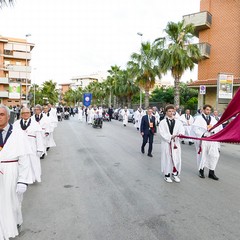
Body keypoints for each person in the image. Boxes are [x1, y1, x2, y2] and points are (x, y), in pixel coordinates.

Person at [0, 105, 32, 239]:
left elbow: (24, 158)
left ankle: (15, 223)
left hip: (12, 172)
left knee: (13, 202)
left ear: (8, 116)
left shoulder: (17, 133)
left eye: (1, 114)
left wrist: (23, 180)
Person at [191, 104, 222, 180]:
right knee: (203, 155)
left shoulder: (213, 119)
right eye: (207, 109)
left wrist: (213, 130)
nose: (208, 111)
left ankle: (211, 172)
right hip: (203, 139)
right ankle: (201, 171)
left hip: (212, 139)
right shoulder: (198, 119)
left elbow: (218, 128)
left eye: (209, 110)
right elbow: (195, 128)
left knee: (215, 155)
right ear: (203, 110)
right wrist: (203, 134)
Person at [13, 107, 45, 183]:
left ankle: (33, 178)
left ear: (30, 114)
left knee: (33, 163)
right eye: (23, 113)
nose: (25, 114)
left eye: (27, 113)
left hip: (32, 148)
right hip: (20, 148)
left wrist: (40, 149)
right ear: (21, 114)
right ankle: (23, 178)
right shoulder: (16, 124)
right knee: (21, 163)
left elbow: (39, 138)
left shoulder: (35, 124)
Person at [159, 105, 185, 183]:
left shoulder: (178, 122)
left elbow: (181, 131)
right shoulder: (162, 122)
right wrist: (170, 137)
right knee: (167, 158)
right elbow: (162, 133)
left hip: (175, 143)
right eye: (169, 111)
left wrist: (179, 135)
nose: (171, 113)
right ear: (166, 112)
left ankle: (175, 174)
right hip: (166, 143)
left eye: (172, 111)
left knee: (176, 158)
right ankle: (167, 175)